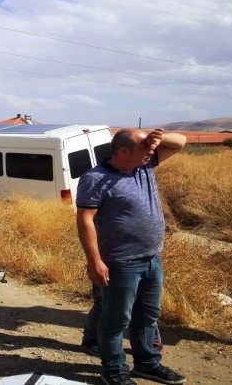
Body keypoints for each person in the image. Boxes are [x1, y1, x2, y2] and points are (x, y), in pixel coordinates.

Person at [76, 128, 186, 385]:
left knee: (147, 316)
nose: (151, 152)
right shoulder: (95, 178)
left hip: (151, 258)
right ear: (123, 151)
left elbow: (180, 142)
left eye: (152, 148)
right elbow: (85, 219)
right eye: (145, 148)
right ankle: (114, 372)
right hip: (120, 262)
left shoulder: (143, 166)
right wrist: (94, 261)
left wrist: (152, 137)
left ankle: (147, 364)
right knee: (115, 321)